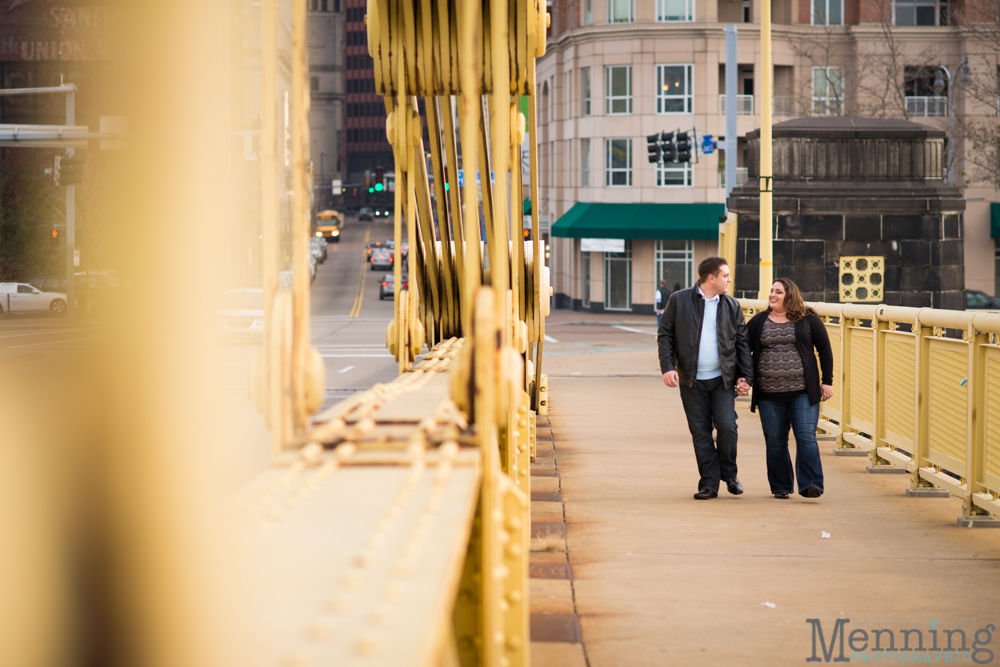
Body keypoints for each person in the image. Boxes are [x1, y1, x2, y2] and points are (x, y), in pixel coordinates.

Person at [658, 257, 753, 500]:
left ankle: (729, 475)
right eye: (726, 276)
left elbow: (742, 343)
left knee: (727, 426)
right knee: (700, 432)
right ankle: (709, 484)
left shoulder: (732, 305)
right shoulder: (679, 300)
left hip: (723, 380)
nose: (730, 280)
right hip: (692, 380)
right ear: (712, 278)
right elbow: (665, 335)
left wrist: (745, 377)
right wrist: (668, 368)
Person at [746, 278, 834, 500]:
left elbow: (824, 349)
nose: (772, 295)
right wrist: (743, 378)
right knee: (775, 442)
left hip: (803, 393)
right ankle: (781, 486)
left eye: (779, 292)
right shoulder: (758, 322)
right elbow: (742, 351)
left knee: (805, 437)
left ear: (790, 296)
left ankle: (811, 484)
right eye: (771, 291)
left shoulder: (809, 319)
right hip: (768, 394)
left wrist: (827, 381)